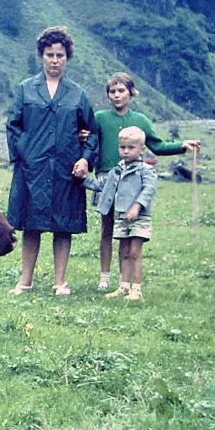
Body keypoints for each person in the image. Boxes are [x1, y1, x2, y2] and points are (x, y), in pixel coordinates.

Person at [6, 26, 98, 296]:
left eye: (60, 55)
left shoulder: (77, 94)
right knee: (31, 224)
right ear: (41, 56)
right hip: (31, 169)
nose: (55, 60)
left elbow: (92, 132)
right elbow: (13, 126)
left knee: (63, 225)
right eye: (50, 55)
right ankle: (25, 281)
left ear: (67, 58)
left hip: (65, 169)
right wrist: (24, 155)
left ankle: (60, 282)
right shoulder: (25, 89)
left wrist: (85, 160)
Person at [89, 72, 200, 291]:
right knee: (107, 228)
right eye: (112, 91)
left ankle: (124, 280)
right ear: (108, 95)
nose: (117, 95)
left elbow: (157, 145)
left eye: (121, 90)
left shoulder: (141, 120)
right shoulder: (99, 118)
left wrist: (181, 145)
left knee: (127, 231)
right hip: (106, 179)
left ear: (131, 93)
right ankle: (104, 277)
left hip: (132, 183)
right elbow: (90, 143)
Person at [83, 126, 156, 300]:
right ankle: (124, 286)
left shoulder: (146, 169)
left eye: (131, 148)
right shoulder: (117, 169)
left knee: (134, 252)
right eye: (122, 147)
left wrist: (137, 206)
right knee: (123, 251)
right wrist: (83, 180)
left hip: (139, 218)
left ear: (141, 149)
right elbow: (102, 186)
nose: (126, 151)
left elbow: (149, 190)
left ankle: (136, 288)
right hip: (121, 217)